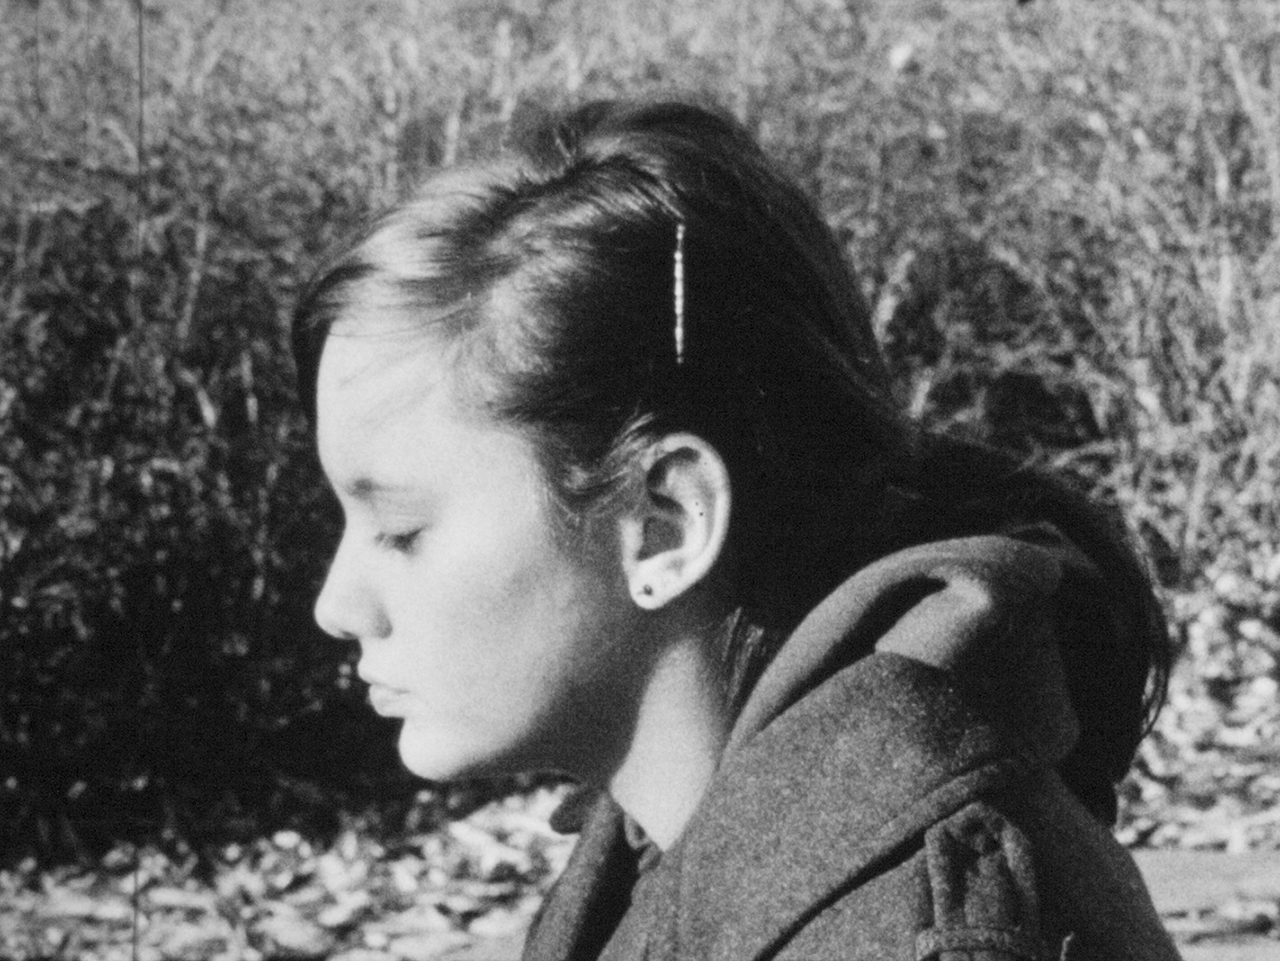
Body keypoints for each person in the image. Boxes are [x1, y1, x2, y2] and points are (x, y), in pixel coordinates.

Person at [291, 99, 1181, 960]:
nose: (336, 604)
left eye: (400, 530)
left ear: (666, 524)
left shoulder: (920, 927)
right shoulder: (660, 853)